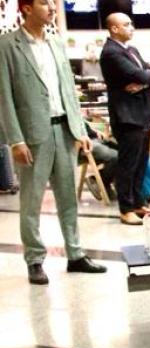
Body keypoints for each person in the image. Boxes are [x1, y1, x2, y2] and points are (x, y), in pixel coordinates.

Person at [0, 0, 106, 284]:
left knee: (68, 197)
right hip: (33, 135)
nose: (51, 7)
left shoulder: (56, 43)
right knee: (31, 201)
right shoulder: (8, 45)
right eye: (44, 2)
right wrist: (15, 139)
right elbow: (4, 97)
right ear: (26, 8)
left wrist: (81, 128)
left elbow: (68, 90)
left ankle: (75, 253)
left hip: (65, 130)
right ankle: (34, 259)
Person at [100, 11, 150, 226]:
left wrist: (144, 81)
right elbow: (144, 74)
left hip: (143, 113)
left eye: (131, 23)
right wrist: (146, 78)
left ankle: (137, 202)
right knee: (128, 164)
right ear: (114, 28)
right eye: (126, 24)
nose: (132, 27)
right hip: (127, 116)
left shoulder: (131, 49)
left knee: (141, 162)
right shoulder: (111, 53)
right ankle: (125, 208)